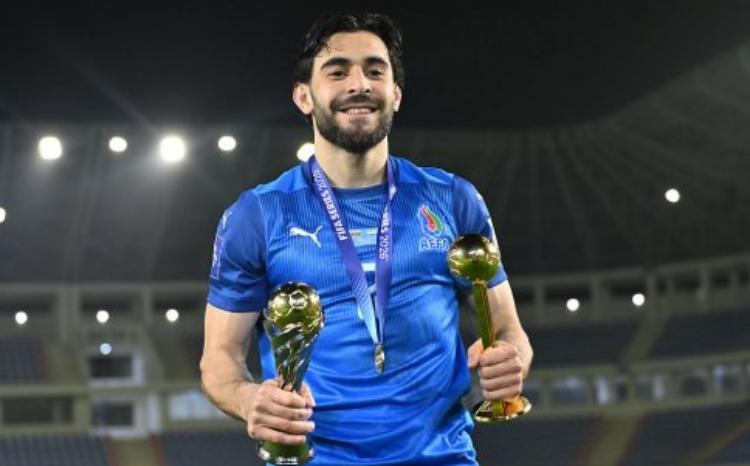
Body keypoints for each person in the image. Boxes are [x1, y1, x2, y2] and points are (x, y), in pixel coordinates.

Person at [200, 12, 533, 465]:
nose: (359, 84)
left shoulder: (453, 199)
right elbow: (219, 358)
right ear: (303, 96)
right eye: (337, 72)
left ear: (395, 93)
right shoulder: (258, 215)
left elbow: (510, 331)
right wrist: (248, 399)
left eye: (375, 71)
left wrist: (511, 359)